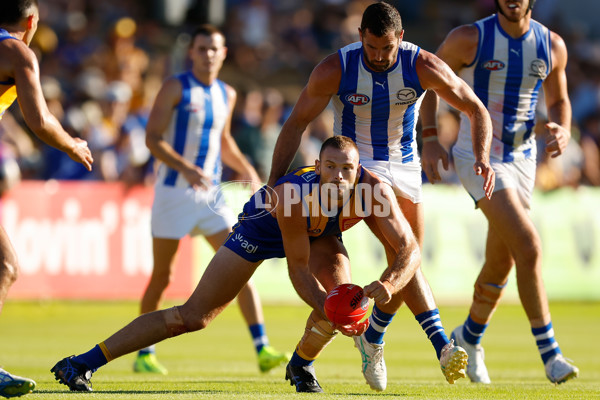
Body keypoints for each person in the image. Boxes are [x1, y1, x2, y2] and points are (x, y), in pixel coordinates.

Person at [53, 136, 418, 393]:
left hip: (320, 233)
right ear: (319, 166)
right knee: (192, 317)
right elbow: (298, 270)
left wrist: (388, 284)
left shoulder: (376, 192)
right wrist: (330, 309)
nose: (339, 176)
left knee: (339, 298)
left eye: (347, 169)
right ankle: (81, 362)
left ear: (359, 172)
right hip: (263, 228)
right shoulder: (292, 196)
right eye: (331, 167)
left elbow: (410, 249)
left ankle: (301, 365)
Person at [267, 2, 495, 391]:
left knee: (408, 261)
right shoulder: (334, 68)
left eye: (385, 49)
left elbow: (475, 108)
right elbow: (297, 123)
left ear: (400, 39)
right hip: (354, 169)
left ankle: (370, 340)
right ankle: (441, 345)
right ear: (360, 37)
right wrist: (274, 184)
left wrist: (482, 157)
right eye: (370, 48)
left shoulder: (422, 65)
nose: (377, 57)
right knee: (401, 255)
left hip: (405, 166)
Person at [419, 0, 579, 385]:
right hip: (477, 156)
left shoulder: (551, 45)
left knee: (502, 260)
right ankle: (551, 355)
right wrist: (429, 137)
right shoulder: (469, 38)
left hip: (524, 159)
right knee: (529, 245)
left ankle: (468, 337)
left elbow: (558, 100)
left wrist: (563, 127)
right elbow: (427, 82)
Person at [134, 24, 288, 374]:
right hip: (173, 193)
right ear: (192, 52)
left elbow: (222, 141)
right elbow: (153, 138)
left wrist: (247, 168)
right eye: (201, 48)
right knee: (162, 276)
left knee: (241, 264)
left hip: (209, 197)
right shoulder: (175, 86)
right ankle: (145, 353)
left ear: (223, 53)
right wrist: (185, 167)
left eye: (213, 49)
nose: (207, 54)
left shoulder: (226, 94)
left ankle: (262, 347)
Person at [0, 0, 93, 397]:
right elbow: (39, 120)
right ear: (31, 21)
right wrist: (72, 144)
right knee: (4, 266)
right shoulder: (17, 51)